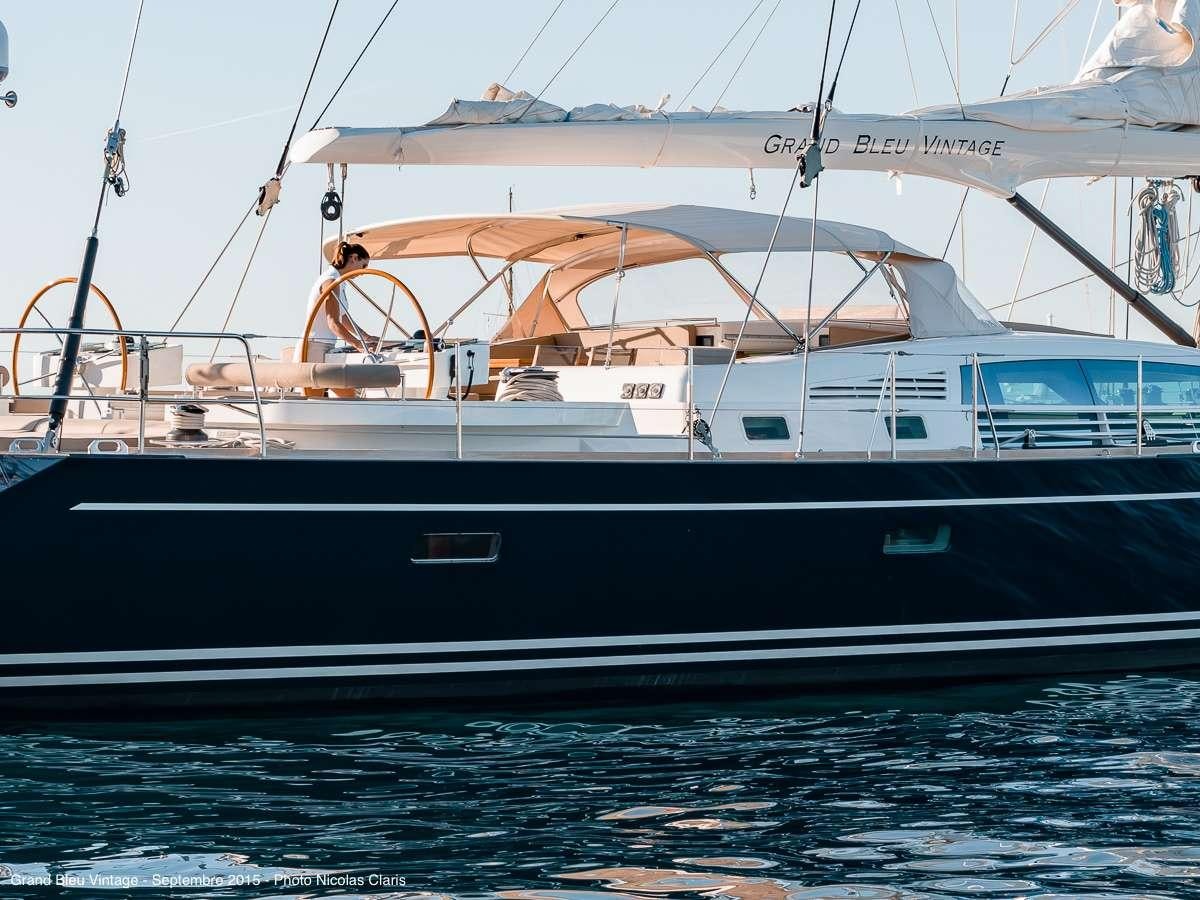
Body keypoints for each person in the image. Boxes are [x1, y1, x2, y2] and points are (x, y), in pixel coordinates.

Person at [300, 241, 380, 362]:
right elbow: (333, 322)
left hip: (323, 345)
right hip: (314, 346)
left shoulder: (338, 281)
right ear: (354, 258)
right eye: (363, 266)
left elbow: (342, 316)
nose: (363, 272)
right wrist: (359, 345)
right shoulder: (331, 281)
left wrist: (366, 337)